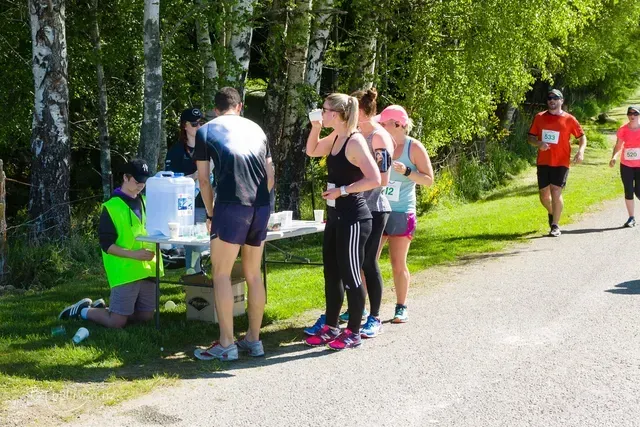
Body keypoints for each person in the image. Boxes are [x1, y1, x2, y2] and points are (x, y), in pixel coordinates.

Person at [193, 87, 274, 361]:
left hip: (231, 204)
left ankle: (227, 342)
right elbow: (270, 173)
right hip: (261, 204)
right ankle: (254, 339)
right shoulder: (257, 129)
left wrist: (211, 213)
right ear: (239, 107)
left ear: (216, 110)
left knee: (222, 274)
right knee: (253, 274)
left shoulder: (206, 130)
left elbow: (204, 180)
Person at [304, 93, 381, 350]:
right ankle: (331, 326)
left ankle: (354, 331)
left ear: (336, 114)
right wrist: (315, 128)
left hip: (354, 218)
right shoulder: (336, 136)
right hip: (336, 217)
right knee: (332, 274)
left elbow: (375, 179)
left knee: (351, 276)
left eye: (324, 110)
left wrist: (343, 190)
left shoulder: (355, 141)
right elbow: (312, 150)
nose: (321, 113)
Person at [58, 159, 162, 328]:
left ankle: (105, 308)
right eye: (137, 181)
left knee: (146, 317)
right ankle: (82, 311)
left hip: (148, 269)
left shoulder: (147, 201)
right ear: (126, 178)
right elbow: (107, 245)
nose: (141, 185)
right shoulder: (111, 207)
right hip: (126, 271)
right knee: (117, 322)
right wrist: (134, 255)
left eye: (144, 181)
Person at [376, 105, 434, 324]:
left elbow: (429, 181)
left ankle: (401, 307)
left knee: (397, 262)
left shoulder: (414, 147)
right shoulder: (378, 143)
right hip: (378, 209)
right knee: (367, 261)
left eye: (384, 123)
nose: (380, 126)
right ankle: (363, 307)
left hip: (401, 211)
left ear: (398, 125)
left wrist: (407, 172)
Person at [348, 88, 394, 338]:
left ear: (362, 112)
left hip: (375, 208)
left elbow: (384, 178)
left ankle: (374, 317)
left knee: (368, 262)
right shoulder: (354, 134)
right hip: (353, 207)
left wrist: (351, 186)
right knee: (352, 263)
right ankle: (357, 310)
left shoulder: (378, 137)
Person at [527, 89, 587, 237]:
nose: (551, 100)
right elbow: (530, 137)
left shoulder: (569, 119)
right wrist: (539, 143)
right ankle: (553, 212)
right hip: (544, 161)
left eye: (555, 98)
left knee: (555, 190)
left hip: (561, 161)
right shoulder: (539, 117)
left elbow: (582, 137)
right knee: (543, 195)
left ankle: (555, 225)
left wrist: (581, 151)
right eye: (549, 98)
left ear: (561, 101)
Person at [165, 107, 209, 274]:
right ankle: (195, 277)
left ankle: (212, 278)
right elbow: (170, 183)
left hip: (210, 202)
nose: (198, 127)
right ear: (184, 126)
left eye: (201, 123)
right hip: (188, 206)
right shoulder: (176, 151)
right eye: (194, 124)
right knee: (195, 244)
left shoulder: (207, 147)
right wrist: (195, 176)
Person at [609, 105, 640, 228]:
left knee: (638, 191)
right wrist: (614, 157)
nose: (632, 116)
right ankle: (631, 218)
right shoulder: (623, 130)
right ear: (627, 115)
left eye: (635, 114)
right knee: (628, 190)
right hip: (626, 164)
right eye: (630, 114)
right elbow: (618, 146)